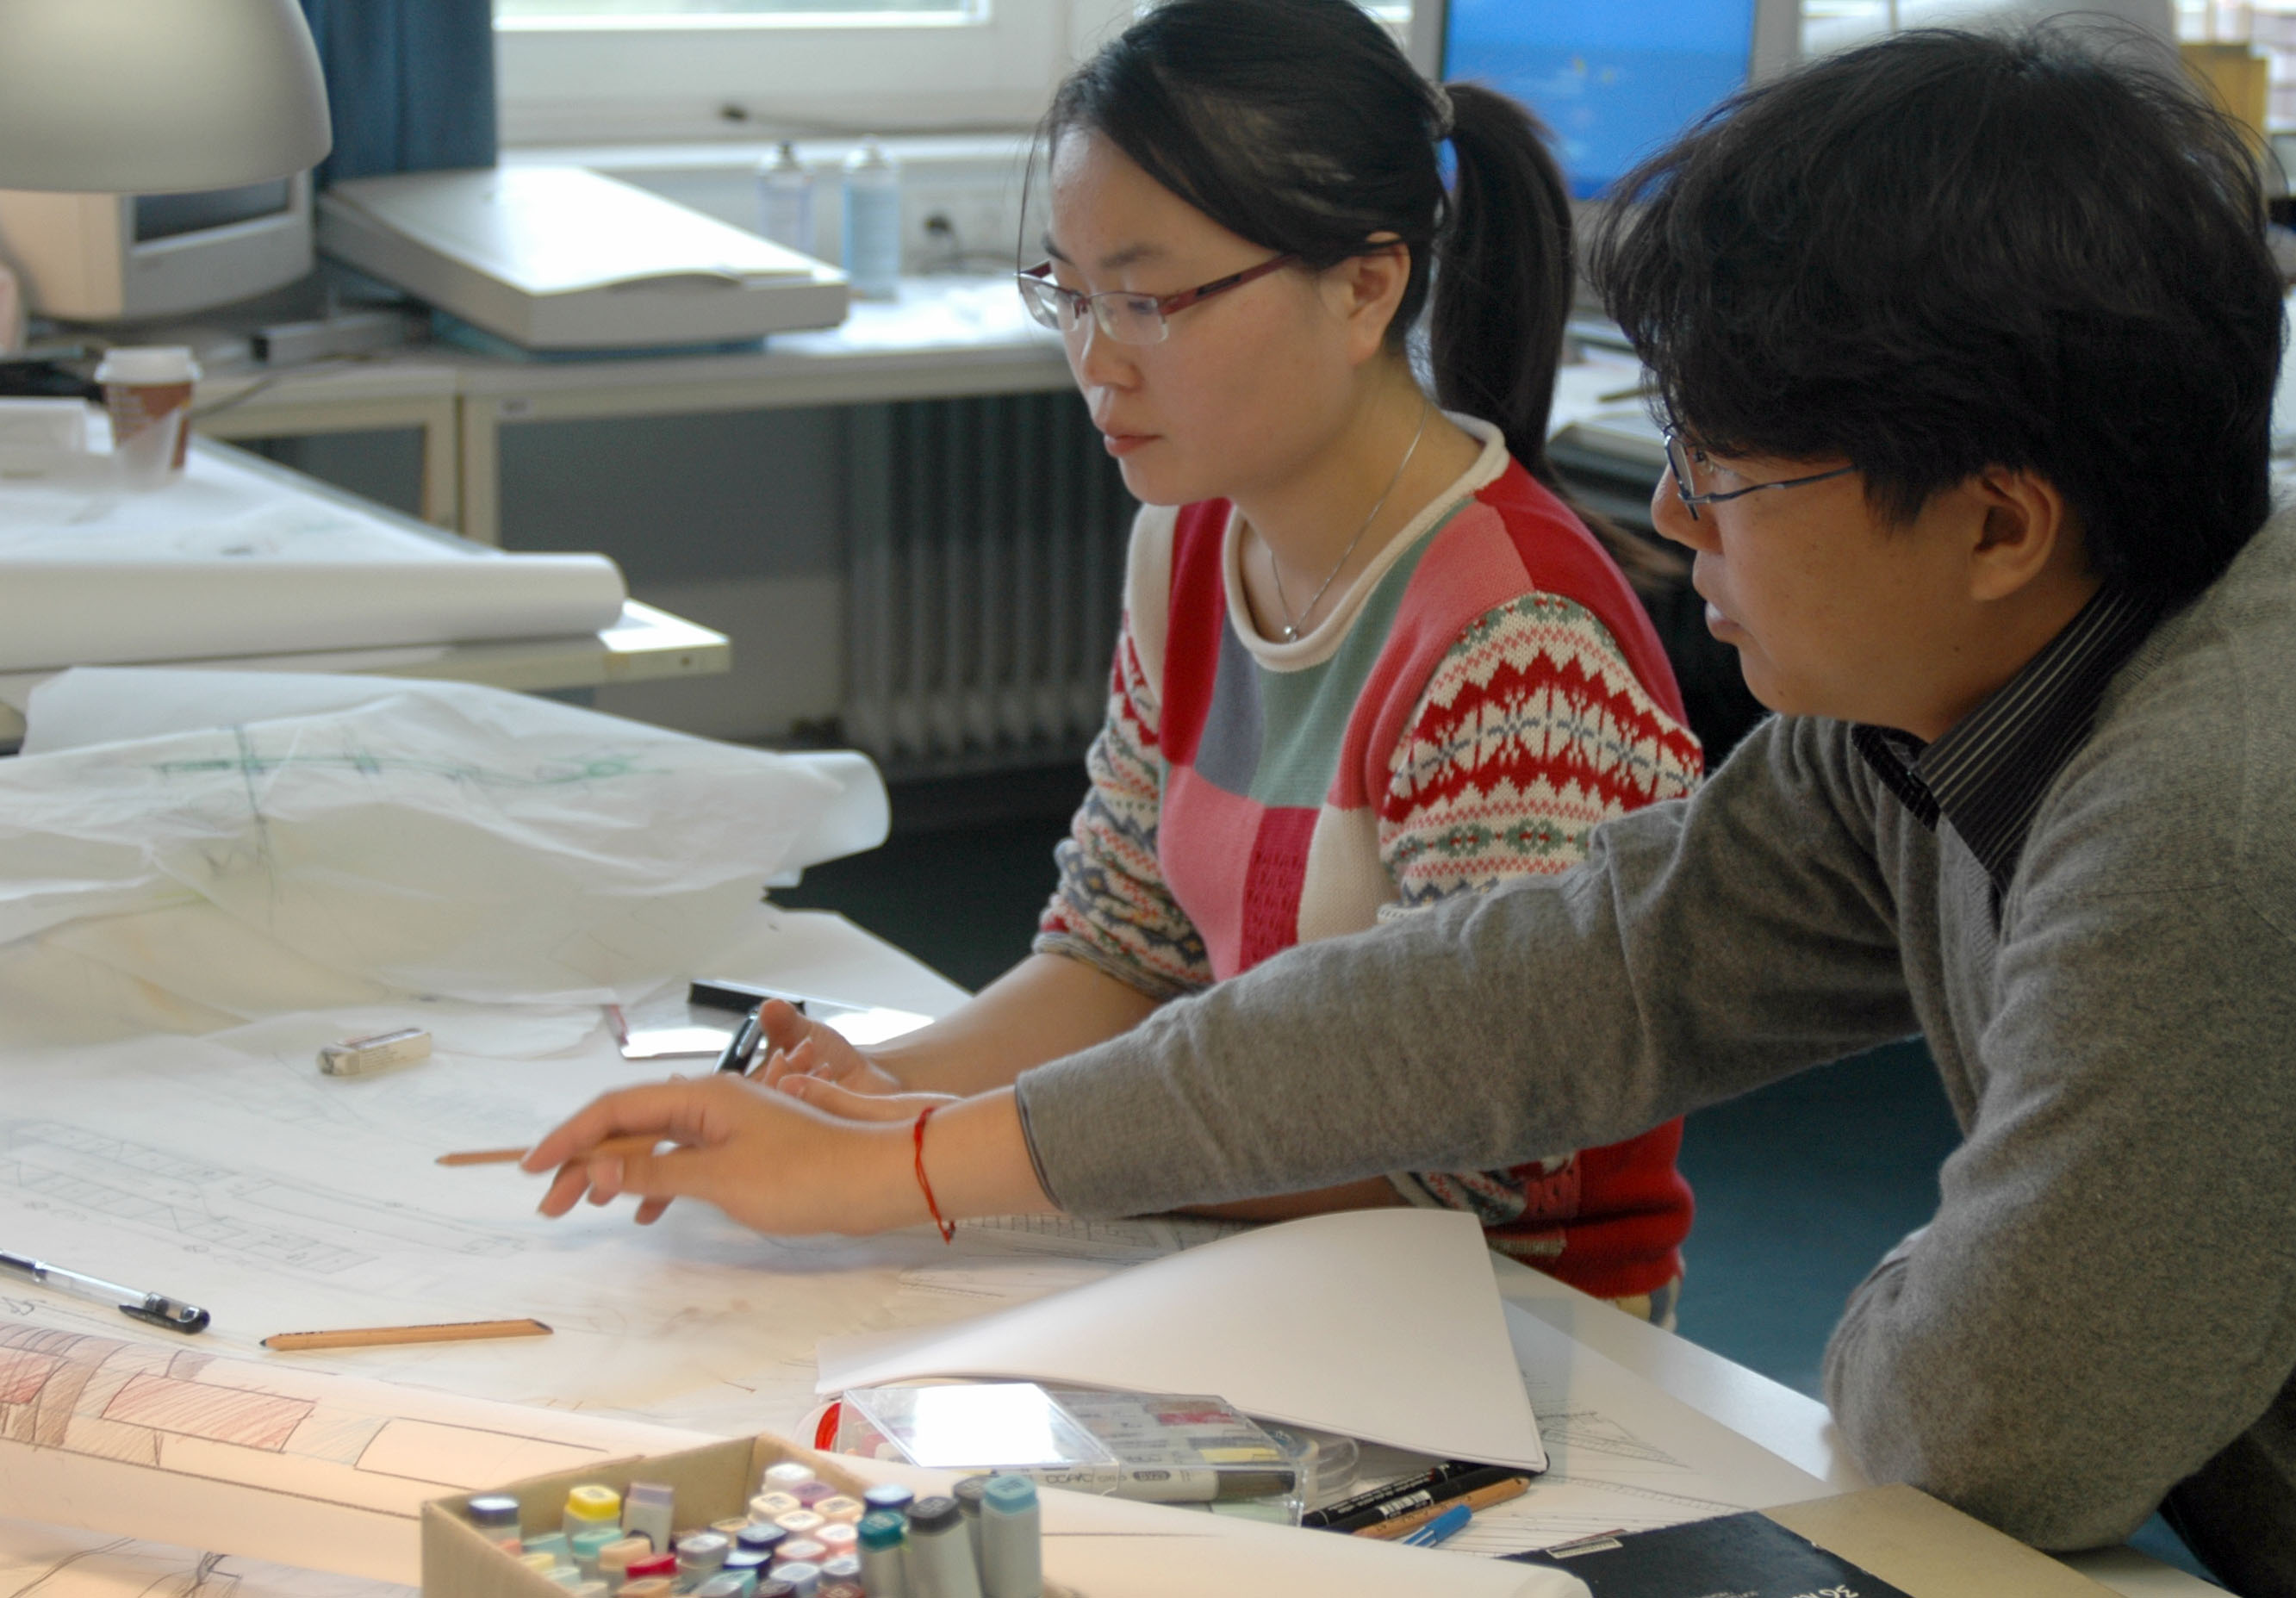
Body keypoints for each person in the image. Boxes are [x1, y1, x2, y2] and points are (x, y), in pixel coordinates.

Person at [528, 23, 2296, 1590]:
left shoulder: (2204, 823)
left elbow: (1984, 1424)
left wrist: (1952, 1284)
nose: (1668, 518)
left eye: (1725, 469)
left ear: (1996, 524)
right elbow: (1533, 988)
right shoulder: (1919, 715)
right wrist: (916, 1152)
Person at [724, 0, 1702, 1311]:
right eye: (1070, 294)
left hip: (1509, 1329)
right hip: (1255, 1263)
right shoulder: (1188, 542)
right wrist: (869, 1091)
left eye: (1146, 301)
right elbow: (1122, 954)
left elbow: (1465, 1174)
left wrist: (927, 1153)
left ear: (1364, 288)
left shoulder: (1517, 646)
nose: (1095, 360)